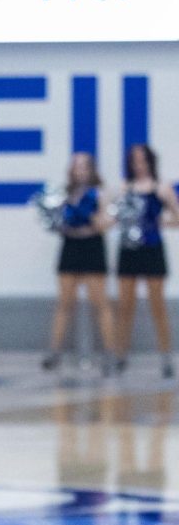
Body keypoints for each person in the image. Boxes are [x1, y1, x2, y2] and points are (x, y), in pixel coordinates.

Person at [42, 152, 115, 374]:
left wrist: (90, 215)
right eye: (76, 166)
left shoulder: (99, 193)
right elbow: (56, 221)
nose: (80, 170)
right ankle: (55, 352)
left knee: (99, 302)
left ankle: (109, 354)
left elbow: (106, 222)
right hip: (71, 246)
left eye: (84, 166)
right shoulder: (64, 194)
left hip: (92, 246)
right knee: (64, 302)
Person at [114, 143, 179, 378]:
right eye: (135, 160)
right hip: (130, 249)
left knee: (157, 305)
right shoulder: (125, 188)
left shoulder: (162, 188)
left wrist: (161, 222)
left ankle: (165, 355)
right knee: (125, 306)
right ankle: (120, 354)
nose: (139, 165)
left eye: (143, 160)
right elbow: (117, 217)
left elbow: (177, 217)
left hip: (152, 248)